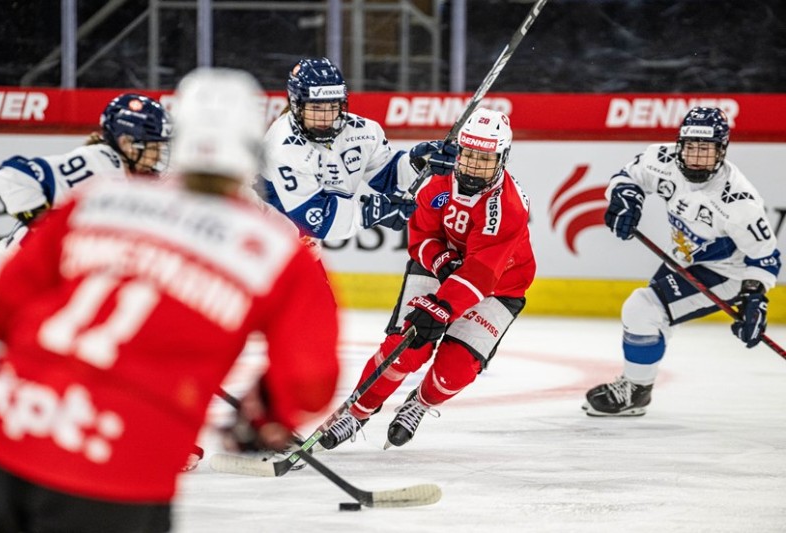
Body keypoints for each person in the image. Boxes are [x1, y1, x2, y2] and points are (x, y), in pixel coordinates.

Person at [0, 68, 340, 533]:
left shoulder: (96, 200)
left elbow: (7, 306)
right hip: (112, 473)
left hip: (4, 442)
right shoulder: (274, 248)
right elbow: (310, 380)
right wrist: (264, 412)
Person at [318, 107, 536, 450]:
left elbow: (482, 273)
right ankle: (356, 411)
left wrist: (441, 307)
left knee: (457, 369)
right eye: (469, 155)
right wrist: (439, 258)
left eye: (485, 158)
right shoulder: (438, 179)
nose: (473, 166)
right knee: (404, 349)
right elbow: (420, 233)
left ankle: (419, 404)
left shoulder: (507, 206)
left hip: (499, 287)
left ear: (503, 158)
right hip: (440, 271)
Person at [583, 106, 781, 417]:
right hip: (684, 259)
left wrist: (754, 297)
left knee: (642, 308)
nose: (696, 157)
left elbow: (765, 257)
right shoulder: (662, 160)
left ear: (722, 151)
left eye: (706, 149)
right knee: (650, 316)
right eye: (690, 147)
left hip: (726, 272)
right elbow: (630, 176)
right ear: (679, 145)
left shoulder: (739, 201)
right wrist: (625, 198)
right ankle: (638, 385)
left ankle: (636, 390)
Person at [0, 92, 172, 319]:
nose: (157, 156)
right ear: (126, 142)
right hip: (14, 277)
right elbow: (13, 174)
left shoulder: (128, 177)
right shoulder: (101, 163)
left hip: (36, 283)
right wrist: (44, 222)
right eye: (153, 146)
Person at [258, 57, 458, 245]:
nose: (325, 117)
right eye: (316, 107)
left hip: (296, 246)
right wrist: (372, 212)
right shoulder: (283, 146)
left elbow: (390, 177)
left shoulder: (362, 132)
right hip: (258, 242)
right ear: (296, 105)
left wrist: (419, 164)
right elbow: (314, 219)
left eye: (332, 106)